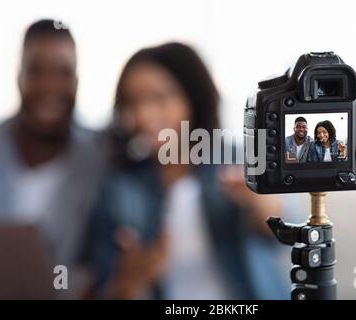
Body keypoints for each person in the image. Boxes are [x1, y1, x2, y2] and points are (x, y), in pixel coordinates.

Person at [91, 42, 290, 299]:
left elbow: (285, 233)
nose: (142, 114)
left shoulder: (237, 158)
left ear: (193, 97)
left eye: (159, 97)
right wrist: (132, 282)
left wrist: (256, 201)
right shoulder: (119, 187)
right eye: (132, 102)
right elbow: (113, 290)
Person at [0, 19, 108, 297]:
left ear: (76, 82)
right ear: (19, 79)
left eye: (62, 72)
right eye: (37, 71)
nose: (49, 85)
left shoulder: (100, 161)